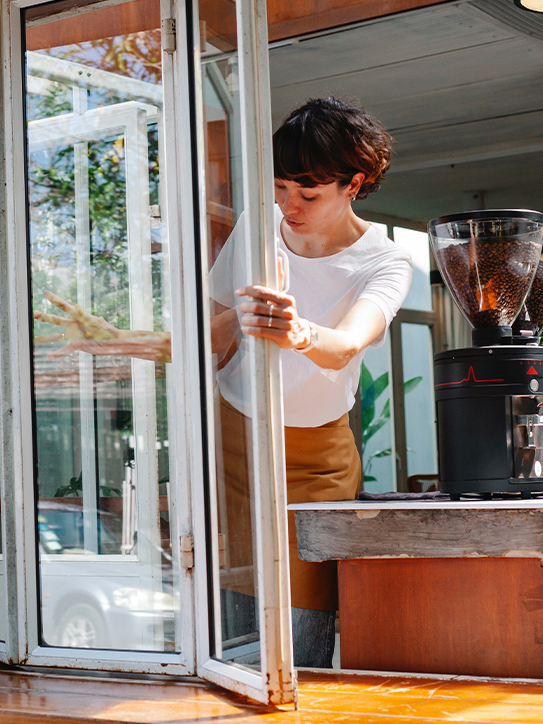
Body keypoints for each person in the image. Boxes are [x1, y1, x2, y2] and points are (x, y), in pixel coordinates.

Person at [35, 97, 413, 667]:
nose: (289, 205)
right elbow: (210, 336)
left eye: (307, 193)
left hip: (316, 462)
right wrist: (112, 338)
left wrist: (296, 330)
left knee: (300, 633)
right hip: (233, 442)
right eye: (282, 187)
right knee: (227, 626)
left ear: (353, 183)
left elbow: (347, 347)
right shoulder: (259, 231)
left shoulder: (383, 262)